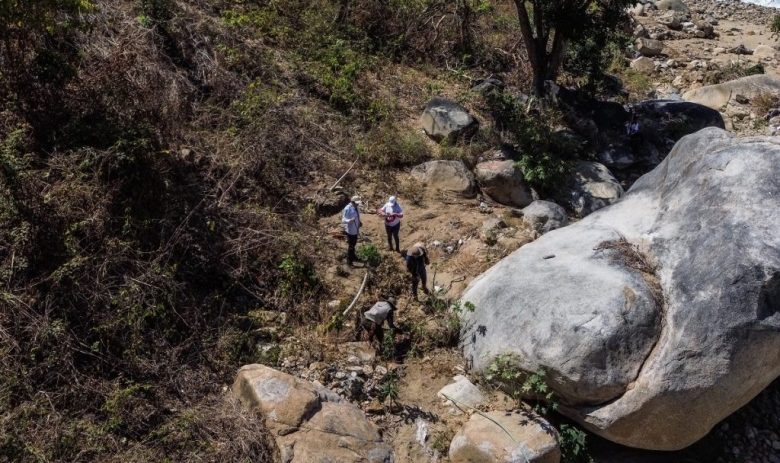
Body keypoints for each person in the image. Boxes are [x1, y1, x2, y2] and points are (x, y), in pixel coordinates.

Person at [342, 196, 362, 266]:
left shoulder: (356, 207)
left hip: (356, 229)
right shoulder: (347, 208)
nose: (357, 204)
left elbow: (358, 216)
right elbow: (343, 220)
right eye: (356, 203)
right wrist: (349, 220)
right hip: (350, 231)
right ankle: (349, 261)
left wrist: (359, 222)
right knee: (351, 246)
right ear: (352, 202)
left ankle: (353, 256)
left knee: (354, 244)